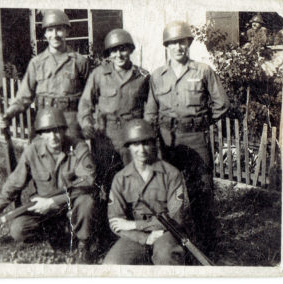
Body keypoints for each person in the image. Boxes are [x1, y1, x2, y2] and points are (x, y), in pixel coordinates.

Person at [144, 21, 230, 255]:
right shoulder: (157, 76)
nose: (178, 47)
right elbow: (151, 112)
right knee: (167, 191)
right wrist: (153, 140)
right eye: (172, 43)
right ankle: (170, 240)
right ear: (167, 47)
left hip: (195, 137)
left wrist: (201, 122)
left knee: (201, 191)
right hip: (166, 140)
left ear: (188, 44)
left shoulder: (203, 71)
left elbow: (221, 104)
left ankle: (207, 245)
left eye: (182, 42)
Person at [0, 108, 97, 263]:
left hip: (70, 206)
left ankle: (84, 245)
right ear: (41, 134)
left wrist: (53, 202)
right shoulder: (32, 151)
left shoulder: (78, 147)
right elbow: (14, 183)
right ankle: (57, 233)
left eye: (57, 130)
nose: (53, 137)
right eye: (48, 131)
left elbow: (88, 181)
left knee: (87, 201)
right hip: (44, 211)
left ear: (64, 130)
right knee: (18, 229)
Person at [103, 119, 191, 265]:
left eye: (145, 143)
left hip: (167, 233)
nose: (141, 150)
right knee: (112, 264)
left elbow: (176, 218)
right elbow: (116, 222)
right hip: (135, 237)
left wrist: (135, 225)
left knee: (165, 256)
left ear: (153, 144)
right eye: (136, 144)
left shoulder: (171, 174)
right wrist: (144, 238)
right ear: (129, 147)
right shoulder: (120, 178)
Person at [78, 28, 150, 198]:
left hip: (133, 139)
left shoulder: (142, 77)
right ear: (109, 53)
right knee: (105, 184)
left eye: (123, 49)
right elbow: (86, 103)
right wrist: (87, 124)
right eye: (114, 50)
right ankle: (105, 223)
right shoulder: (99, 74)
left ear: (131, 50)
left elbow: (151, 107)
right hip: (105, 138)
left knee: (135, 183)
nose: (119, 54)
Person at [0, 9, 89, 139]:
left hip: (70, 124)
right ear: (45, 34)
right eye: (50, 30)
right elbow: (23, 97)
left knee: (72, 157)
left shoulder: (80, 62)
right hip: (43, 122)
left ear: (67, 32)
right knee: (36, 157)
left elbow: (90, 99)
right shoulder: (36, 63)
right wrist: (8, 114)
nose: (55, 35)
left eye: (59, 29)